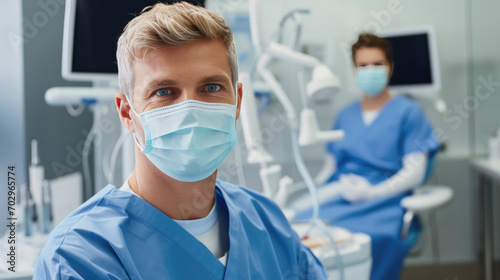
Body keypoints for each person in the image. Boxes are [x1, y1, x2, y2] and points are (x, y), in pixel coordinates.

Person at [34, 3, 326, 279]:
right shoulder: (81, 257)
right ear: (126, 112)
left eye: (211, 87)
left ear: (236, 105)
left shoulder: (267, 224)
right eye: (164, 91)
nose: (191, 111)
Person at [296, 33, 440, 280]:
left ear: (390, 68)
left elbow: (414, 173)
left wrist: (371, 193)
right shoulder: (345, 114)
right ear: (354, 70)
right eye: (363, 66)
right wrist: (310, 192)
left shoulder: (408, 112)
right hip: (341, 195)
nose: (370, 70)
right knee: (300, 227)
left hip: (386, 201)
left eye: (378, 64)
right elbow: (330, 168)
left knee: (366, 241)